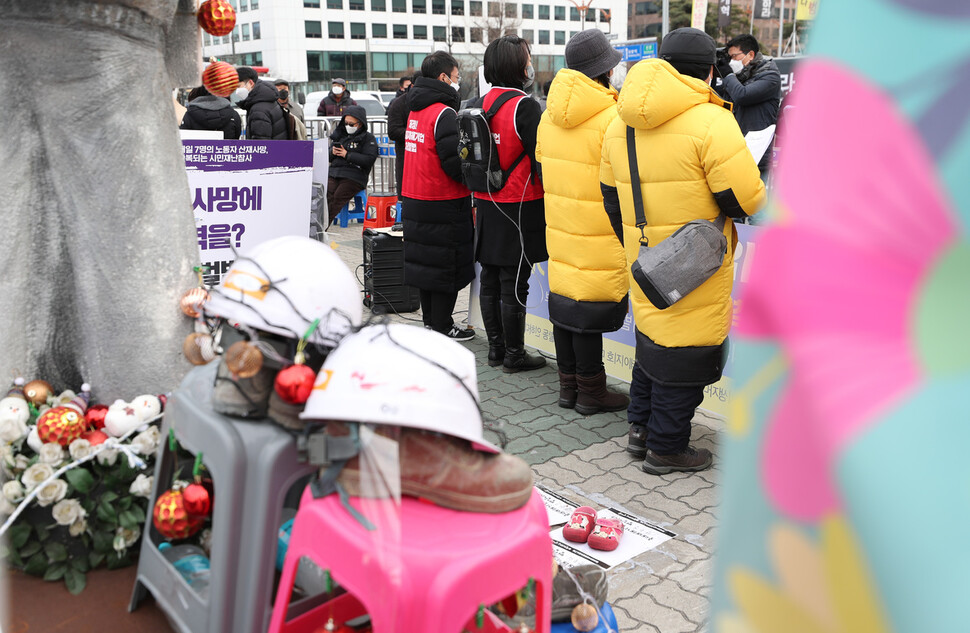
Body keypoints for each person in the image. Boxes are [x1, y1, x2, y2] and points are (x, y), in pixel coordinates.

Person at [600, 27, 765, 474]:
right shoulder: (712, 121)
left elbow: (609, 196)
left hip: (645, 257)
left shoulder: (620, 121)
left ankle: (639, 431)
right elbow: (745, 200)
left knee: (651, 342)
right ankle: (667, 448)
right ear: (709, 71)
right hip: (696, 263)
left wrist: (637, 241)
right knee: (687, 351)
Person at [536, 30, 629, 415]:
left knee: (567, 304)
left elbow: (542, 166)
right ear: (606, 70)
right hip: (600, 228)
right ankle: (591, 391)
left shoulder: (548, 116)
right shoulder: (613, 117)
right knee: (587, 309)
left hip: (560, 224)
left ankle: (568, 388)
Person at [476, 35, 547, 373]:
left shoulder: (479, 102)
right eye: (527, 57)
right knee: (515, 281)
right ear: (517, 66)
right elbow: (541, 159)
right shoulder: (525, 106)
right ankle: (515, 356)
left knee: (490, 277)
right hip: (520, 204)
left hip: (486, 202)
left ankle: (496, 350)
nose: (530, 63)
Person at [401, 53, 475, 341]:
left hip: (415, 197)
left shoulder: (416, 110)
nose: (458, 82)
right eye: (456, 77)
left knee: (425, 266)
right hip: (443, 200)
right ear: (444, 78)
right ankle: (444, 326)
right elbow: (453, 163)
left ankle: (431, 323)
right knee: (447, 266)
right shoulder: (443, 113)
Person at [715, 34, 781, 178]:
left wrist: (728, 75)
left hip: (757, 154)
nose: (732, 61)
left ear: (750, 55)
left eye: (735, 57)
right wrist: (716, 73)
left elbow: (742, 96)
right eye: (729, 58)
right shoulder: (740, 77)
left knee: (757, 200)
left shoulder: (770, 76)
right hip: (736, 150)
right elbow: (721, 100)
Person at [327, 105, 378, 227]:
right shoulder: (340, 135)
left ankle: (323, 225)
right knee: (326, 193)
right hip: (335, 173)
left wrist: (347, 155)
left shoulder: (368, 138)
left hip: (355, 176)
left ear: (360, 124)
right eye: (346, 123)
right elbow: (327, 157)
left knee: (339, 196)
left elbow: (369, 159)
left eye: (352, 124)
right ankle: (317, 223)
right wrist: (332, 152)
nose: (348, 126)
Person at [235, 66, 288, 140]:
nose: (237, 91)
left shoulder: (259, 109)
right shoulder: (267, 100)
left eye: (238, 86)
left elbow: (260, 144)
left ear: (250, 83)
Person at [386, 73, 416, 196]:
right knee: (405, 197)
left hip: (428, 164)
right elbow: (393, 131)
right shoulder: (399, 103)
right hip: (406, 158)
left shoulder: (433, 104)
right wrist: (417, 134)